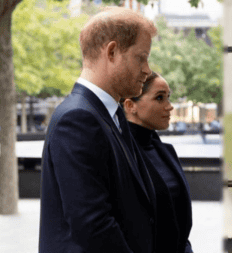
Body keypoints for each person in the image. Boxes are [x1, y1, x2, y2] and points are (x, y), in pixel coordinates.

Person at [39, 7, 159, 252]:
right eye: (141, 57)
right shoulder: (77, 119)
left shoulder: (109, 114)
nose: (147, 69)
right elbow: (92, 225)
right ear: (112, 52)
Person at [121, 72, 194, 253]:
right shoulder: (120, 155)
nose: (169, 107)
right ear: (130, 106)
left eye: (168, 98)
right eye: (159, 98)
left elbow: (181, 224)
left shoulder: (166, 151)